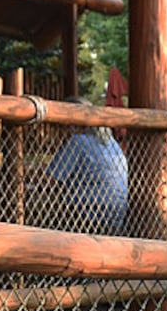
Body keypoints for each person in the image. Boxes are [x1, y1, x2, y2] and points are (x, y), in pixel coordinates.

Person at [48, 98, 129, 234]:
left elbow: (51, 181)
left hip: (86, 212)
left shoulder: (78, 142)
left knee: (44, 214)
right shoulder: (112, 144)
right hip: (118, 214)